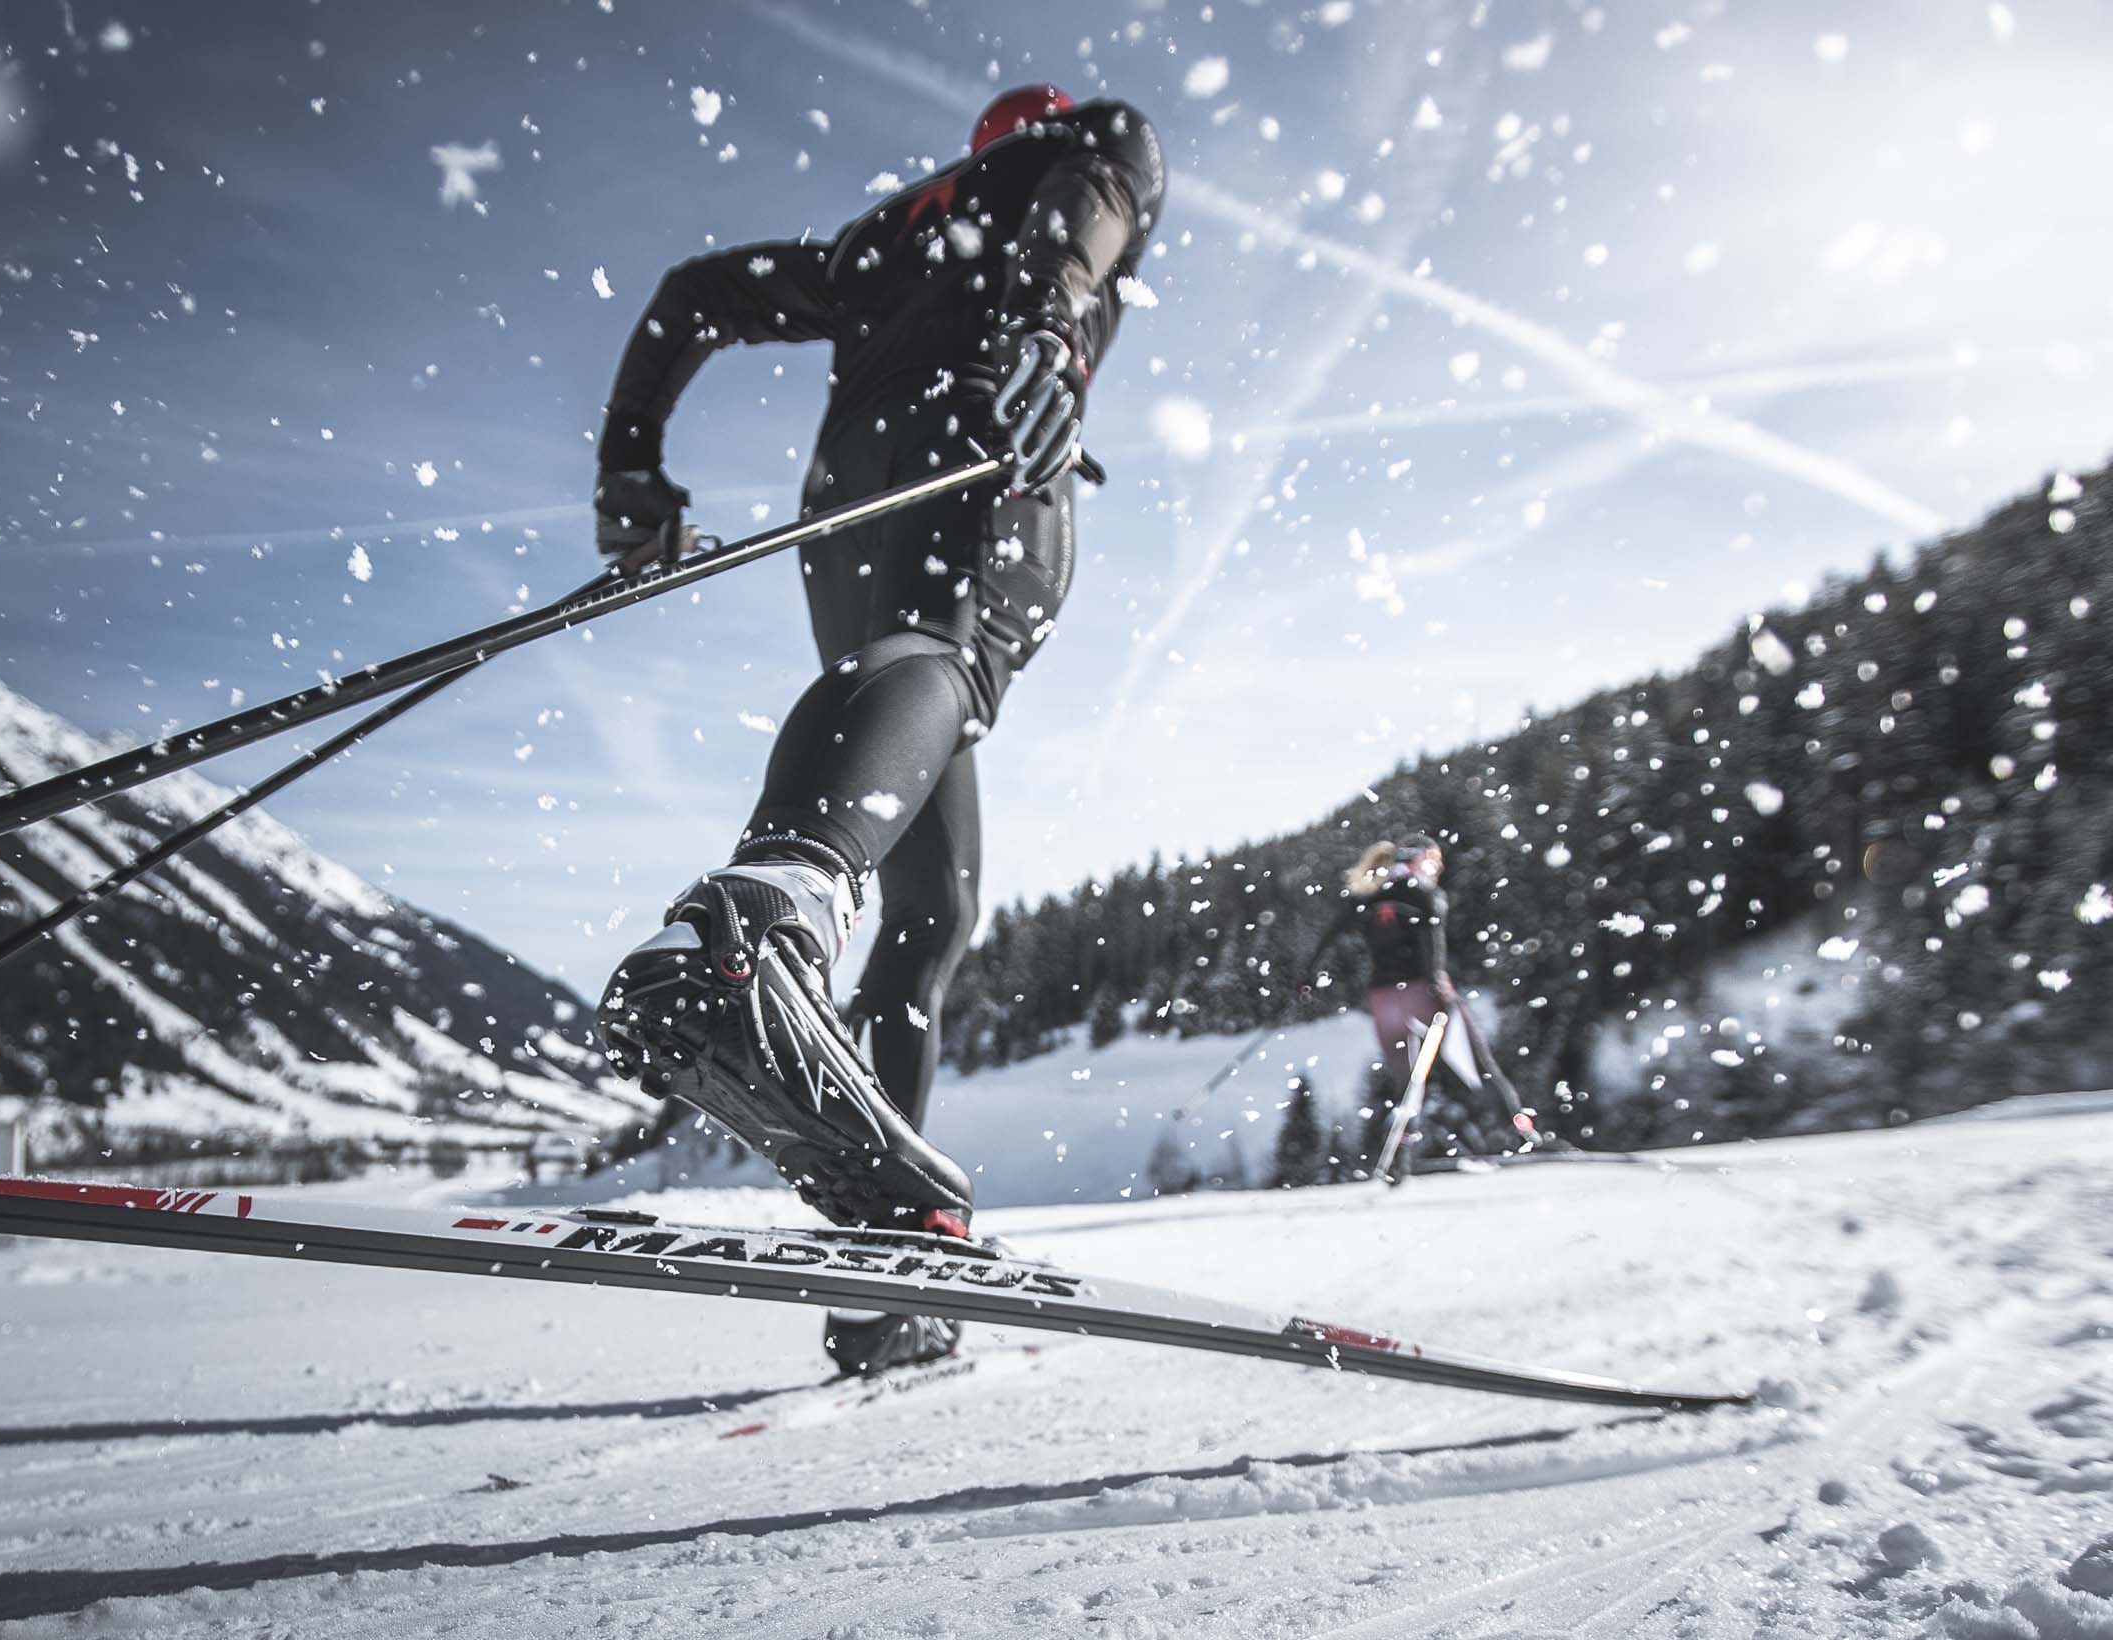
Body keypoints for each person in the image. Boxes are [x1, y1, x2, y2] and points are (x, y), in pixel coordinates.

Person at [591, 85, 1167, 1374]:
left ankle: (888, 1261)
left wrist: (631, 463)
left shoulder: (883, 238)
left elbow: (693, 294)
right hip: (988, 432)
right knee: (946, 664)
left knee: (931, 900)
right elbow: (1088, 206)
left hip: (845, 495)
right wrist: (1046, 332)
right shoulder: (1087, 156)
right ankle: (768, 914)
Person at [1308, 837, 1542, 1173]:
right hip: (1422, 992)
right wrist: (1434, 980)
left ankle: (1398, 1158)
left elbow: (1331, 936)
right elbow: (1431, 936)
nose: (1440, 866)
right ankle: (1521, 1132)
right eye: (1435, 858)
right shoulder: (1424, 893)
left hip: (1383, 998)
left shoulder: (1370, 896)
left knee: (1408, 1083)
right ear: (1420, 859)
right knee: (1479, 1064)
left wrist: (1308, 978)